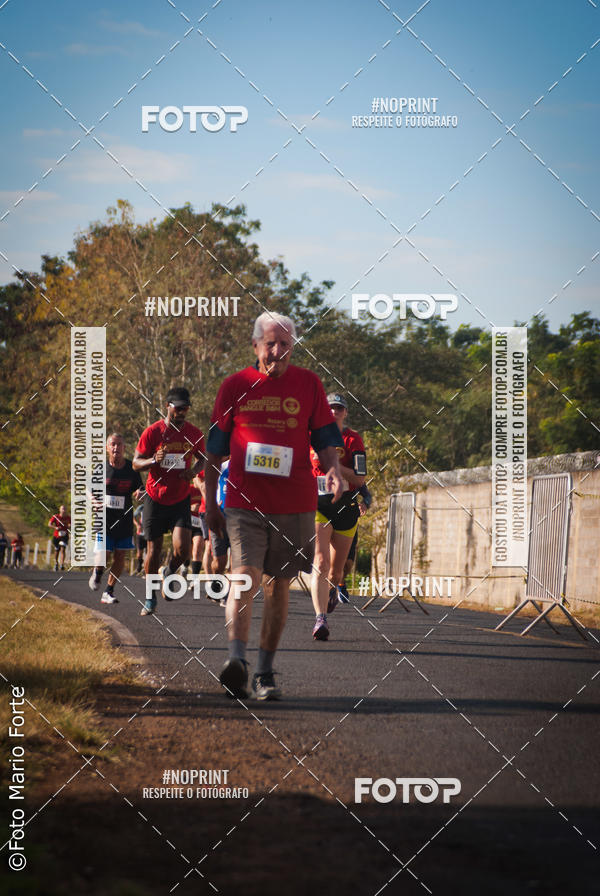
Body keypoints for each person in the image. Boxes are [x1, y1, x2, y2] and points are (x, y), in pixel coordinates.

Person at [205, 311, 344, 701]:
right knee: (244, 575)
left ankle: (264, 673)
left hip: (295, 504)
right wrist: (209, 503)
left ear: (293, 347)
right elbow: (213, 451)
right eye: (271, 344)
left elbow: (324, 439)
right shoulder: (234, 386)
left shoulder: (308, 384)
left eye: (285, 344)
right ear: (255, 346)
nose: (278, 351)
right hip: (244, 502)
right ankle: (237, 661)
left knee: (278, 584)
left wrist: (333, 469)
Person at [133, 386, 205, 616]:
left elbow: (203, 459)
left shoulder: (194, 433)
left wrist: (194, 471)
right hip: (155, 498)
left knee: (183, 549)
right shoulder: (153, 432)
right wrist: (153, 460)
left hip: (180, 498)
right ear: (168, 406)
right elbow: (135, 463)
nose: (182, 412)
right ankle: (150, 597)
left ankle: (169, 571)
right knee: (153, 551)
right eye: (178, 408)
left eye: (186, 409)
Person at [310, 393, 366, 641]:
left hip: (346, 506)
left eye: (339, 408)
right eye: (330, 408)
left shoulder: (353, 439)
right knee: (320, 562)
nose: (334, 412)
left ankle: (331, 590)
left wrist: (334, 466)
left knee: (336, 572)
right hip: (318, 504)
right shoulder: (311, 436)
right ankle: (320, 618)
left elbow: (359, 478)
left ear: (345, 413)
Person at [88, 433, 144, 604]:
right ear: (107, 448)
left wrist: (140, 493)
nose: (116, 447)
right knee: (104, 554)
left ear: (124, 448)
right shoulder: (101, 468)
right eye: (112, 444)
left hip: (124, 519)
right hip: (104, 519)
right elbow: (88, 488)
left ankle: (109, 591)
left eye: (119, 444)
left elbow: (140, 489)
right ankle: (98, 572)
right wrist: (93, 501)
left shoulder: (131, 469)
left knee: (120, 556)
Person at [338, 483, 372, 603]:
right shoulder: (325, 472)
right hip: (327, 519)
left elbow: (367, 495)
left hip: (349, 521)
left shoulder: (353, 475)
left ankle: (340, 583)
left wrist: (365, 504)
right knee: (328, 561)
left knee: (348, 563)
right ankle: (330, 589)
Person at [48, 505, 70, 571]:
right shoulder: (56, 516)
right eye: (62, 509)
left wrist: (69, 526)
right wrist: (55, 527)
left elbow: (71, 524)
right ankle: (56, 563)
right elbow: (49, 524)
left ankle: (62, 564)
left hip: (64, 536)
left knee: (63, 549)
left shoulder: (68, 517)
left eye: (65, 509)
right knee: (57, 550)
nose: (64, 510)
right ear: (59, 510)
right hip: (56, 536)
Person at [133, 504, 146, 575]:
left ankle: (147, 570)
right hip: (140, 533)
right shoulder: (142, 507)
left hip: (150, 533)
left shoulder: (157, 506)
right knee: (139, 554)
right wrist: (137, 525)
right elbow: (133, 516)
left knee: (149, 553)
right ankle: (140, 562)